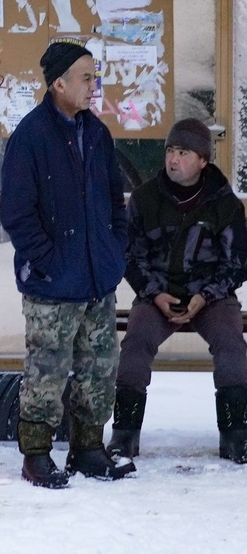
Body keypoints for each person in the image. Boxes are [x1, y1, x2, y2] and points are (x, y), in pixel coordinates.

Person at [0, 40, 135, 488]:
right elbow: (17, 213)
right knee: (47, 368)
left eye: (94, 76)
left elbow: (116, 201)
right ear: (59, 83)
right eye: (85, 77)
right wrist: (50, 261)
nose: (92, 85)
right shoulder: (31, 136)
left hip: (98, 277)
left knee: (100, 365)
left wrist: (114, 251)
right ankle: (36, 454)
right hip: (52, 282)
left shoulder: (96, 133)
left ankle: (88, 448)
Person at [107, 118, 247, 464]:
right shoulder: (144, 198)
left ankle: (236, 436)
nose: (173, 159)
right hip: (158, 294)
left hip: (210, 297)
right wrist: (154, 293)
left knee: (232, 347)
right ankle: (124, 436)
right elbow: (130, 255)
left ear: (203, 160)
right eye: (170, 150)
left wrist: (207, 295)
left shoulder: (226, 205)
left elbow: (238, 263)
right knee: (136, 345)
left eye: (183, 152)